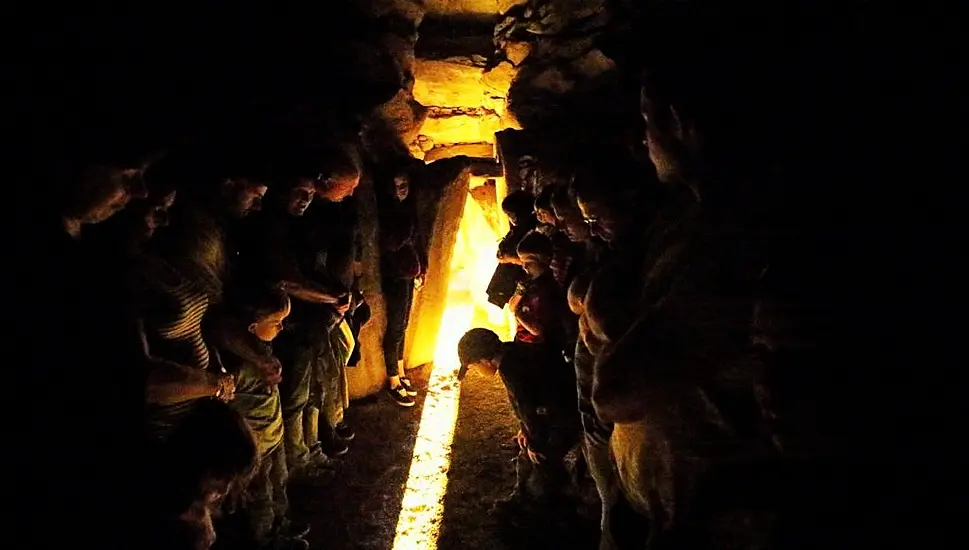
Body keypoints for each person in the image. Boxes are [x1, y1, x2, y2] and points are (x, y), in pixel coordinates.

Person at [214, 287, 311, 550]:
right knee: (261, 495)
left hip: (273, 436)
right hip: (256, 444)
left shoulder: (261, 347)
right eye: (276, 322)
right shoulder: (238, 365)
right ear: (252, 327)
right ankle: (267, 539)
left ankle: (281, 523)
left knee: (279, 483)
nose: (281, 328)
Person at [457, 328, 580, 517]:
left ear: (484, 360)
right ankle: (523, 496)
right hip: (558, 411)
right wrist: (525, 431)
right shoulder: (514, 351)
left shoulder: (511, 371)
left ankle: (543, 508)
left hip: (563, 418)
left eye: (474, 367)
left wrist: (535, 443)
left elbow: (528, 409)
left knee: (541, 460)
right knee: (526, 456)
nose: (478, 371)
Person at [379, 169, 426, 407]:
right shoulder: (388, 214)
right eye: (398, 186)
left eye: (405, 184)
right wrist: (408, 227)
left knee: (403, 326)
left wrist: (422, 270)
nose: (403, 190)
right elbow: (393, 243)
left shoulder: (406, 211)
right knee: (395, 327)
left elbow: (416, 243)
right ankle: (393, 381)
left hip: (408, 275)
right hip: (395, 277)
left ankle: (401, 371)